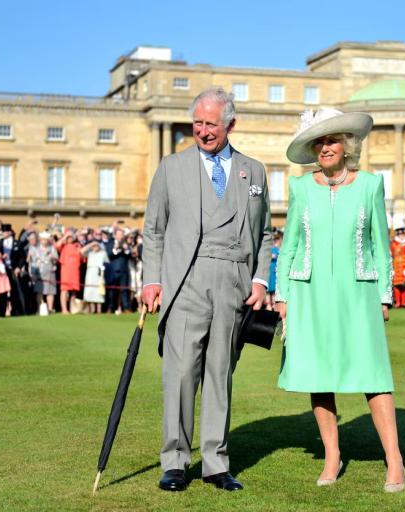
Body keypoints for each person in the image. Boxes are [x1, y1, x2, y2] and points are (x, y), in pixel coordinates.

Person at [142, 88, 272, 492]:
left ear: (230, 124)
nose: (202, 131)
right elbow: (154, 230)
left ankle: (215, 463)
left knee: (220, 374)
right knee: (180, 374)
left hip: (234, 285)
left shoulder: (255, 171)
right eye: (197, 123)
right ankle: (175, 461)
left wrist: (261, 279)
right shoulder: (171, 167)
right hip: (185, 281)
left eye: (210, 123)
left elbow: (265, 233)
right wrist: (151, 279)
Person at [275, 108, 404, 493]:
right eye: (320, 142)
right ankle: (332, 455)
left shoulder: (370, 185)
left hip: (358, 292)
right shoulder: (300, 188)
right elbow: (290, 246)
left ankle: (394, 459)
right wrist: (283, 295)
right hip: (308, 292)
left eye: (332, 140)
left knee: (374, 374)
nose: (326, 148)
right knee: (318, 374)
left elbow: (381, 244)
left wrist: (384, 295)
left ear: (348, 146)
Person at [28, 231, 58, 315]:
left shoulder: (52, 248)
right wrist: (32, 273)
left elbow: (56, 259)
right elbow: (31, 262)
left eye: (46, 240)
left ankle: (50, 308)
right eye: (43, 240)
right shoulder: (35, 248)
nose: (44, 242)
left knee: (50, 291)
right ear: (40, 240)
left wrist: (53, 257)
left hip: (50, 272)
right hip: (39, 272)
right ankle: (39, 308)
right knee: (39, 291)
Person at [106, 227, 132, 314]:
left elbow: (130, 256)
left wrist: (126, 249)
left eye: (122, 235)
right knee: (112, 291)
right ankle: (110, 308)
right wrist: (115, 248)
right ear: (115, 235)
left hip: (124, 271)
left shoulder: (126, 244)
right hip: (113, 271)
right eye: (119, 234)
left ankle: (126, 308)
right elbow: (109, 255)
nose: (121, 236)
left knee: (124, 290)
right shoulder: (111, 243)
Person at [57, 230, 83, 314]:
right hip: (65, 271)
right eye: (68, 237)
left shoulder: (77, 245)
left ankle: (73, 309)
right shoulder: (63, 245)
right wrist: (65, 236)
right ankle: (64, 309)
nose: (70, 239)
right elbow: (57, 245)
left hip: (75, 270)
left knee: (74, 291)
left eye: (71, 237)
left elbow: (82, 255)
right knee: (64, 290)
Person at [82, 240, 108, 313]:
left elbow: (107, 263)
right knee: (90, 290)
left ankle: (99, 309)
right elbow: (82, 251)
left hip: (99, 274)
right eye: (94, 246)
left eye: (96, 245)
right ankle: (92, 309)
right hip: (90, 273)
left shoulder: (103, 253)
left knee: (99, 291)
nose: (95, 247)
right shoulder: (90, 253)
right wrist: (91, 244)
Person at [390, 219, 405, 308]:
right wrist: (391, 268)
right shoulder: (393, 244)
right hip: (396, 266)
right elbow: (390, 256)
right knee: (397, 285)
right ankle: (398, 302)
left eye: (402, 234)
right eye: (400, 234)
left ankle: (404, 302)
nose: (401, 236)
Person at [266, 231, 281, 310]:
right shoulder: (268, 249)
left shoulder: (277, 249)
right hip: (269, 270)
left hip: (275, 270)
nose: (274, 240)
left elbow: (280, 258)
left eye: (275, 239)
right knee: (268, 290)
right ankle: (268, 305)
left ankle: (274, 305)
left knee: (274, 290)